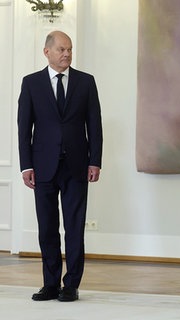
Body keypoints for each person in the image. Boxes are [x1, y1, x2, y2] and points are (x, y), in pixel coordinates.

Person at [18, 30, 103, 302]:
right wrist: (25, 165)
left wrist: (95, 160)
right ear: (47, 52)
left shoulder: (85, 82)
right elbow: (24, 129)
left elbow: (95, 126)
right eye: (61, 49)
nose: (66, 54)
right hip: (42, 167)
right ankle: (50, 284)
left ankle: (72, 285)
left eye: (69, 49)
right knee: (47, 228)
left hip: (77, 166)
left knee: (75, 227)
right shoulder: (31, 83)